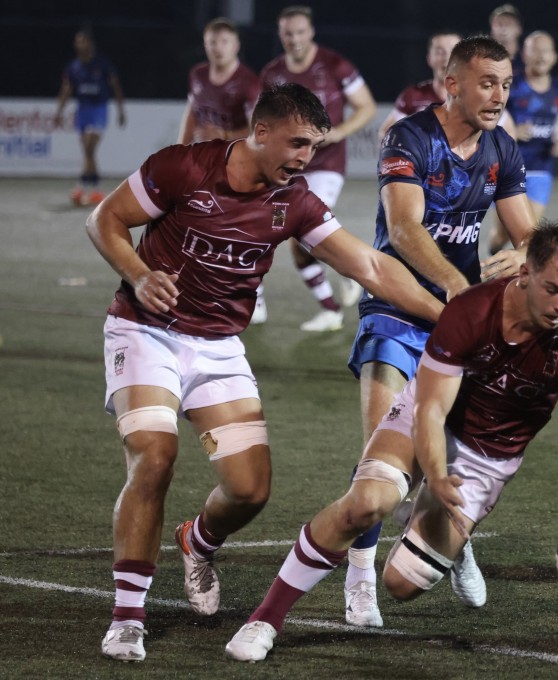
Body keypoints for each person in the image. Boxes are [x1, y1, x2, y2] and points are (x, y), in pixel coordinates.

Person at [90, 83, 443, 663]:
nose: (307, 157)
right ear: (259, 132)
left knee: (250, 491)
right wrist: (137, 272)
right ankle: (127, 618)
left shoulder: (295, 200)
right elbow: (105, 219)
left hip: (219, 346)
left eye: (315, 146)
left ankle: (197, 541)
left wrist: (450, 316)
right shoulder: (183, 167)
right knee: (154, 453)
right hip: (145, 330)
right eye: (299, 143)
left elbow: (371, 265)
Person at [224, 221, 558, 662]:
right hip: (432, 417)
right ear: (524, 274)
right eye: (553, 289)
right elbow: (431, 410)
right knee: (366, 504)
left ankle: (451, 537)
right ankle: (265, 618)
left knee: (401, 586)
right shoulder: (471, 312)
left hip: (488, 458)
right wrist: (435, 474)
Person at [339, 35, 536, 629]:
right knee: (380, 456)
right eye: (486, 83)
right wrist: (456, 285)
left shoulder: (503, 147)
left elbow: (529, 231)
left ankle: (455, 540)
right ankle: (360, 579)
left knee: (444, 450)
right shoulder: (409, 136)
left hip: (459, 320)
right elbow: (402, 229)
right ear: (453, 84)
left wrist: (525, 252)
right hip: (396, 306)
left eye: (505, 84)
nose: (499, 95)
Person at [261, 5, 377, 331]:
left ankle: (353, 273)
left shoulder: (335, 64)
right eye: (288, 33)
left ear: (310, 32)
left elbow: (366, 106)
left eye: (300, 32)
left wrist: (339, 131)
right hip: (288, 167)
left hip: (327, 164)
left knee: (301, 230)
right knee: (295, 240)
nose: (294, 39)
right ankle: (331, 310)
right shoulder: (272, 73)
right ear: (280, 34)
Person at [177, 18, 268, 324]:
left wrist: (224, 135)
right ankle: (207, 291)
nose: (218, 48)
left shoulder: (248, 82)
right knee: (201, 226)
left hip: (239, 164)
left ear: (236, 45)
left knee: (240, 230)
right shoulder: (198, 74)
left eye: (224, 42)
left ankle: (256, 296)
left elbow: (259, 128)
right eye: (212, 42)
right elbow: (191, 112)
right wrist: (181, 148)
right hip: (204, 164)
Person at [490, 30, 558, 253]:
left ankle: (517, 283)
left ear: (554, 56)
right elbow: (489, 112)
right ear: (524, 54)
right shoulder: (511, 85)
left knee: (528, 233)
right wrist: (509, 128)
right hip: (508, 168)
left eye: (546, 51)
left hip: (540, 168)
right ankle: (493, 252)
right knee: (503, 233)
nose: (541, 56)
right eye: (536, 51)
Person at [55, 28, 126, 206]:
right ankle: (93, 190)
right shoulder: (73, 67)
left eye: (84, 41)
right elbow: (67, 89)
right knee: (87, 150)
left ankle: (84, 187)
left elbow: (115, 85)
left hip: (98, 109)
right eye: (78, 41)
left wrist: (120, 110)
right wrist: (59, 111)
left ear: (91, 43)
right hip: (82, 109)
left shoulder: (102, 64)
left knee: (89, 146)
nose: (81, 44)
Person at [377, 30, 461, 141]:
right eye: (440, 52)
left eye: (453, 51)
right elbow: (386, 133)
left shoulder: (474, 97)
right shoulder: (413, 96)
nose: (446, 58)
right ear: (429, 59)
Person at [489, 3, 524, 74]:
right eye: (499, 22)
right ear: (491, 30)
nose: (504, 26)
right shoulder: (483, 60)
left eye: (509, 22)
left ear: (519, 29)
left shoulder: (528, 59)